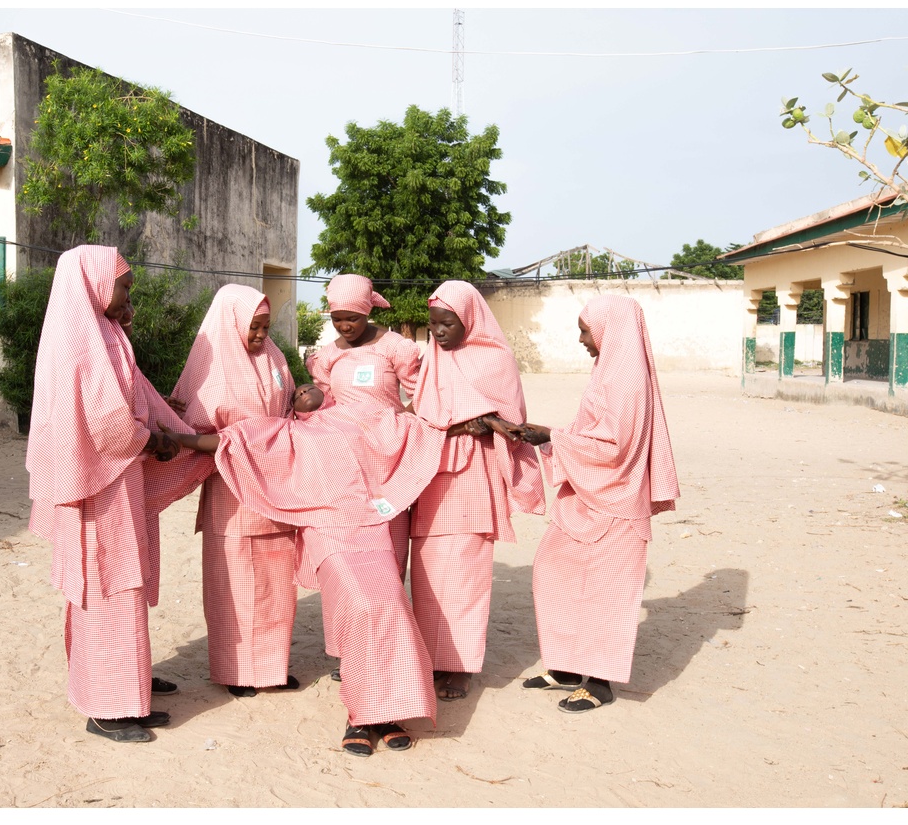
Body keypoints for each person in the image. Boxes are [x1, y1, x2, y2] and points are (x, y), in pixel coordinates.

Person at [161, 383, 446, 756]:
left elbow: (414, 427)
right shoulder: (287, 431)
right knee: (361, 605)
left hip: (371, 525)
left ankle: (388, 713)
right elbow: (228, 442)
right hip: (327, 531)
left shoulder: (357, 414)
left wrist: (476, 421)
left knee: (391, 602)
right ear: (291, 409)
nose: (304, 391)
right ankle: (361, 715)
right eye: (295, 394)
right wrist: (165, 436)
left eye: (309, 386)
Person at [25, 245, 211, 744]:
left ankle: (129, 691)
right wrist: (159, 440)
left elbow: (139, 396)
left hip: (115, 481)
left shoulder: (105, 334)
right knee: (106, 586)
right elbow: (108, 422)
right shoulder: (78, 341)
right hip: (96, 484)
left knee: (126, 582)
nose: (129, 296)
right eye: (124, 285)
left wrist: (183, 432)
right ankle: (107, 708)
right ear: (94, 284)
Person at [485, 295, 680, 713]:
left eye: (585, 330)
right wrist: (552, 432)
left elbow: (615, 447)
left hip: (615, 499)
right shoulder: (609, 371)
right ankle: (568, 667)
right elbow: (595, 430)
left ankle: (600, 681)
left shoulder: (626, 378)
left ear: (609, 330)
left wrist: (554, 439)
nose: (581, 339)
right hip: (586, 496)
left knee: (607, 593)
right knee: (554, 571)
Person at [411, 280, 546, 702]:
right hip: (433, 472)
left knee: (467, 570)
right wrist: (470, 421)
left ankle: (459, 666)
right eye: (433, 324)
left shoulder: (496, 359)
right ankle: (430, 657)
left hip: (474, 473)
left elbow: (512, 420)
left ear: (468, 318)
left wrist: (483, 422)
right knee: (429, 568)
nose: (439, 332)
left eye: (447, 323)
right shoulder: (431, 357)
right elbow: (425, 416)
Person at [169, 284, 299, 698]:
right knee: (236, 582)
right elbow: (193, 426)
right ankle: (237, 670)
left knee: (277, 583)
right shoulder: (213, 367)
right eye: (254, 328)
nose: (261, 335)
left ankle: (271, 667)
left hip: (277, 489)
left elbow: (289, 401)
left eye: (265, 326)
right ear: (232, 323)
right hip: (233, 491)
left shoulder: (273, 357)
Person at [307, 274, 421, 576]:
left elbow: (421, 394)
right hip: (347, 460)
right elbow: (324, 404)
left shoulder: (395, 347)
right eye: (337, 320)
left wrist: (398, 425)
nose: (345, 326)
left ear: (367, 312)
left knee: (390, 527)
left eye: (352, 319)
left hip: (390, 458)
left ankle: (390, 603)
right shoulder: (328, 356)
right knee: (353, 536)